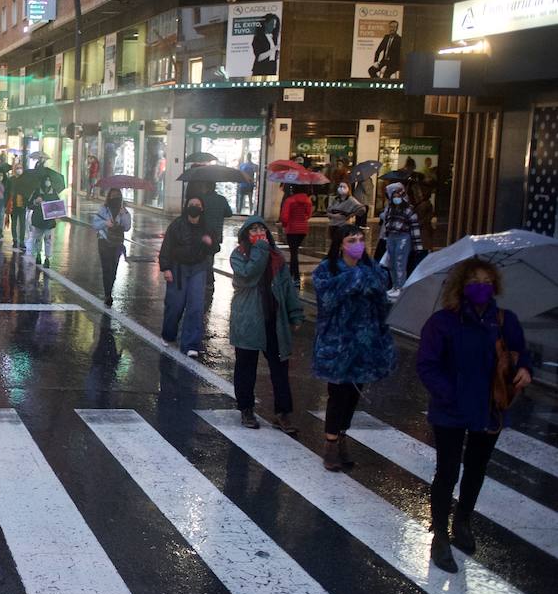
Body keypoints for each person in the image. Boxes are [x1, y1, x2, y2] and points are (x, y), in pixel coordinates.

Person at [416, 258, 531, 573]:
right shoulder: (442, 322)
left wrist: (524, 370)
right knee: (447, 471)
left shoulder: (505, 320)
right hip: (450, 410)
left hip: (490, 408)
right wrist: (450, 395)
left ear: (495, 284)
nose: (482, 286)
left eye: (487, 280)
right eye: (475, 280)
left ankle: (462, 521)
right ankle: (439, 533)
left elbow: (522, 352)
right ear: (462, 286)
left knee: (476, 469)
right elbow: (427, 364)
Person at [311, 226, 395, 471]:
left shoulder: (374, 270)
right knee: (338, 394)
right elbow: (326, 299)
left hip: (365, 344)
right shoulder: (327, 270)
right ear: (341, 244)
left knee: (354, 392)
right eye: (352, 240)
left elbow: (382, 301)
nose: (358, 243)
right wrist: (355, 278)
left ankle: (342, 435)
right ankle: (331, 445)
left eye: (360, 239)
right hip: (337, 344)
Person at [229, 216, 304, 431]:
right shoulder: (239, 255)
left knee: (280, 367)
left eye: (261, 229)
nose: (258, 234)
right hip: (248, 320)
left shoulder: (277, 257)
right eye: (253, 230)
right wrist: (261, 250)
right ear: (245, 235)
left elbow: (287, 287)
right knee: (246, 367)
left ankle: (283, 413)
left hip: (274, 320)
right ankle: (246, 409)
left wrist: (295, 313)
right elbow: (248, 275)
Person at [159, 196, 214, 357]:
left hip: (198, 268)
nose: (195, 207)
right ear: (186, 206)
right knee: (175, 305)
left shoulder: (206, 227)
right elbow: (167, 247)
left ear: (202, 208)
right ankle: (168, 335)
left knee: (196, 306)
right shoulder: (177, 225)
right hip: (178, 269)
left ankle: (191, 344)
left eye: (198, 204)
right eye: (192, 204)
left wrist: (210, 242)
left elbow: (214, 247)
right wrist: (166, 268)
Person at [380, 182, 423, 298]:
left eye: (398, 197)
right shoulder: (390, 208)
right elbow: (387, 223)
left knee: (400, 262)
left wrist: (418, 246)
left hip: (403, 237)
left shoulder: (409, 210)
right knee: (391, 263)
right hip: (391, 237)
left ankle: (400, 287)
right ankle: (395, 286)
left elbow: (414, 227)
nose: (395, 199)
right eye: (394, 197)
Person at [91, 188, 131, 305]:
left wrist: (124, 214)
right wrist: (105, 223)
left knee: (113, 269)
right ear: (109, 197)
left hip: (117, 243)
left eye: (117, 197)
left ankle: (110, 288)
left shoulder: (123, 210)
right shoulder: (104, 209)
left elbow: (127, 227)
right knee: (106, 268)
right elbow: (95, 224)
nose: (115, 199)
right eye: (113, 196)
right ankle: (107, 294)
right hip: (104, 242)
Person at [278, 185, 313, 280]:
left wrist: (284, 225)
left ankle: (296, 277)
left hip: (292, 229)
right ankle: (291, 273)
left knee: (293, 253)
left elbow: (284, 217)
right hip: (303, 229)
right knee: (294, 251)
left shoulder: (290, 200)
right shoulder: (308, 200)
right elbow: (309, 215)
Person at [25, 181, 60, 267]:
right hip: (38, 220)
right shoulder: (36, 192)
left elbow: (58, 206)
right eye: (45, 180)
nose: (47, 182)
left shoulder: (54, 192)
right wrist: (36, 202)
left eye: (48, 180)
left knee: (48, 240)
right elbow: (29, 205)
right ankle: (38, 255)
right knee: (37, 239)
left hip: (49, 221)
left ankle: (47, 258)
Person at [5, 165, 28, 250]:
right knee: (14, 223)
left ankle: (22, 241)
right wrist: (6, 204)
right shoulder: (11, 180)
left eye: (21, 168)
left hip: (22, 204)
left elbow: (27, 191)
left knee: (22, 224)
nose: (19, 170)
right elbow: (7, 192)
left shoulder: (25, 180)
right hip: (13, 204)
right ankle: (15, 240)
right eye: (17, 168)